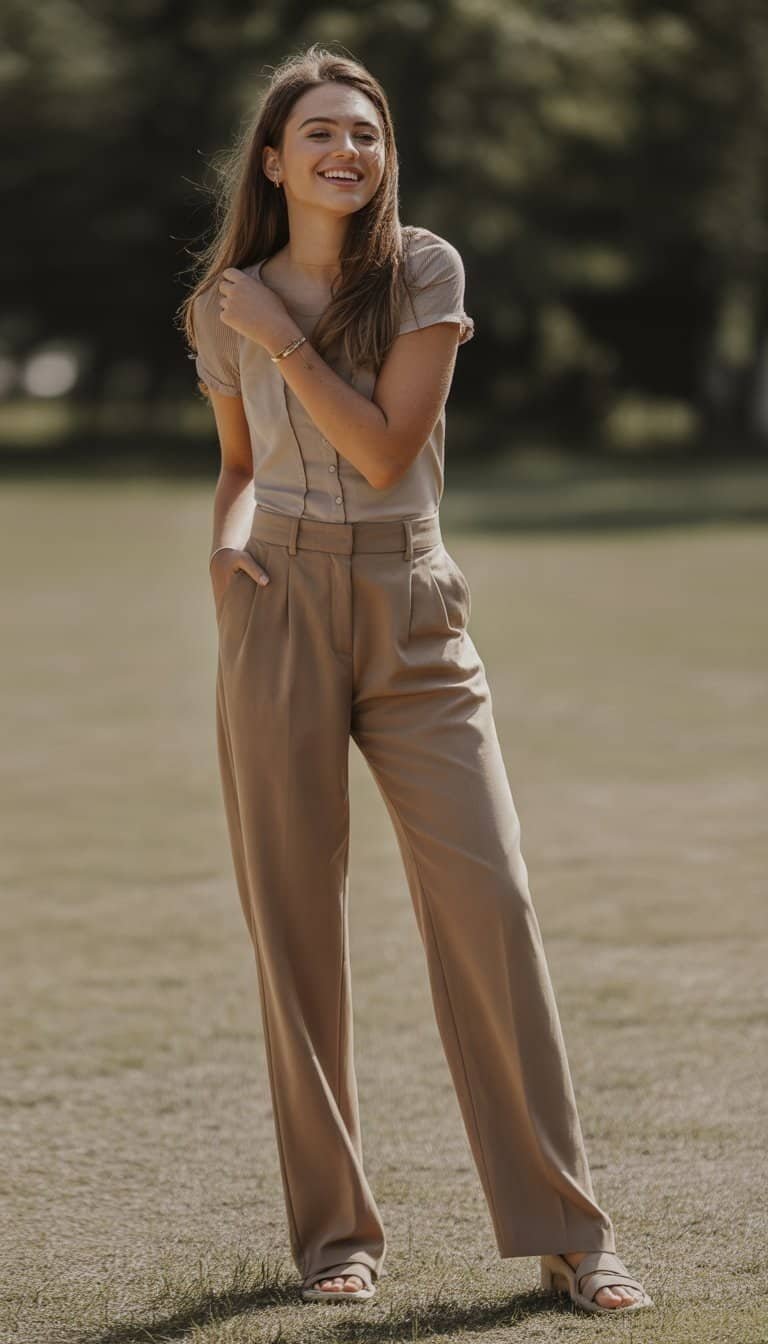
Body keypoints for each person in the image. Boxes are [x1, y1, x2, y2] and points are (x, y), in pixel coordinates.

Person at [179, 43, 654, 1317]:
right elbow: (237, 464)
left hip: (412, 607)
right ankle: (335, 1237)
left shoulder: (422, 271)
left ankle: (572, 1234)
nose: (349, 151)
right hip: (274, 603)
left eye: (369, 133)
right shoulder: (226, 301)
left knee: (490, 900)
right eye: (322, 132)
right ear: (273, 161)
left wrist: (284, 342)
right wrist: (226, 560)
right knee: (293, 925)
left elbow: (388, 454)